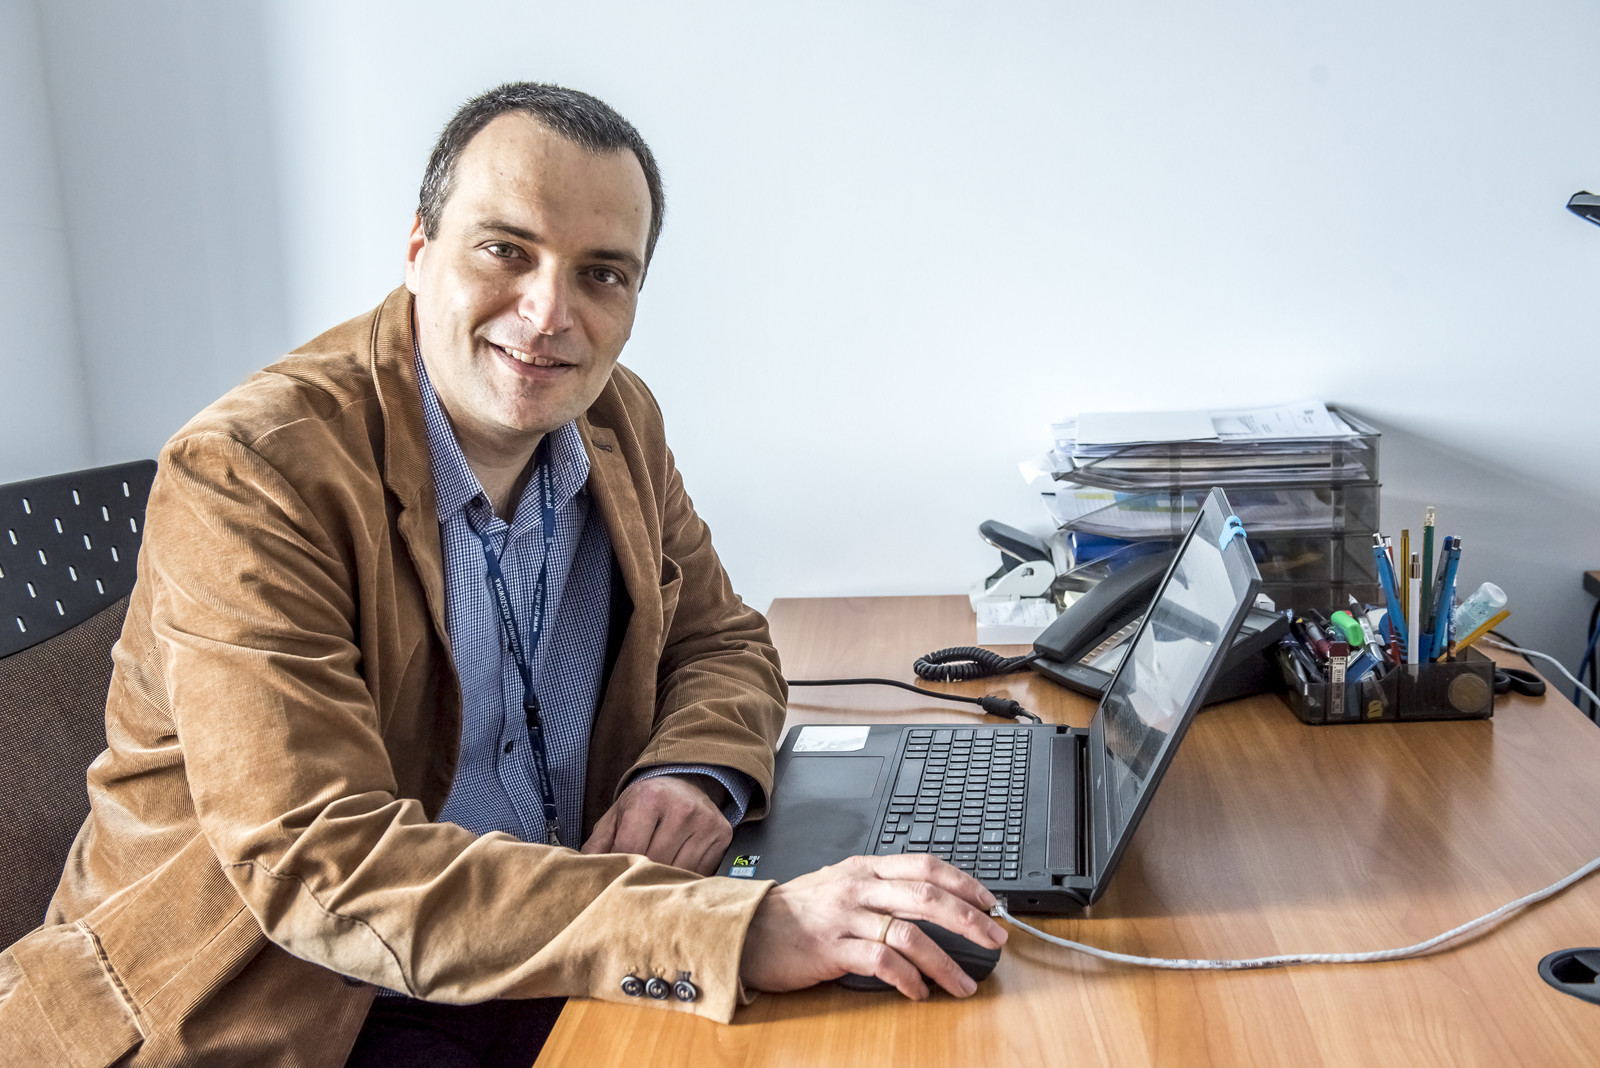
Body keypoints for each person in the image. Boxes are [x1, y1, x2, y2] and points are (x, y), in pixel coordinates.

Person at [0, 83, 1004, 1067]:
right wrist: (725, 931)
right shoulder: (255, 472)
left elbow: (718, 637)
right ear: (418, 250)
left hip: (540, 940)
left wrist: (690, 770)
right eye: (505, 250)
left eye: (601, 274)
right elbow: (321, 863)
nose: (549, 312)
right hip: (289, 1006)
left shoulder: (615, 417)